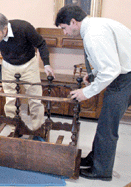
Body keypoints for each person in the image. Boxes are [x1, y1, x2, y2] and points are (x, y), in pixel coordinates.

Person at [55, 5, 131, 181]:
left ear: (73, 22)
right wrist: (93, 75)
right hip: (125, 73)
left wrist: (87, 92)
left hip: (126, 78)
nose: (64, 33)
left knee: (107, 125)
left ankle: (101, 170)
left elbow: (111, 69)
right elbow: (111, 57)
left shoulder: (94, 34)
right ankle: (95, 158)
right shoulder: (95, 26)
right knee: (105, 121)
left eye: (64, 28)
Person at [0, 12, 55, 132]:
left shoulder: (24, 28)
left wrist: (47, 64)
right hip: (8, 66)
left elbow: (41, 44)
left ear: (5, 29)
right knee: (10, 99)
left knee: (35, 98)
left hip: (29, 64)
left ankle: (37, 129)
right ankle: (15, 128)